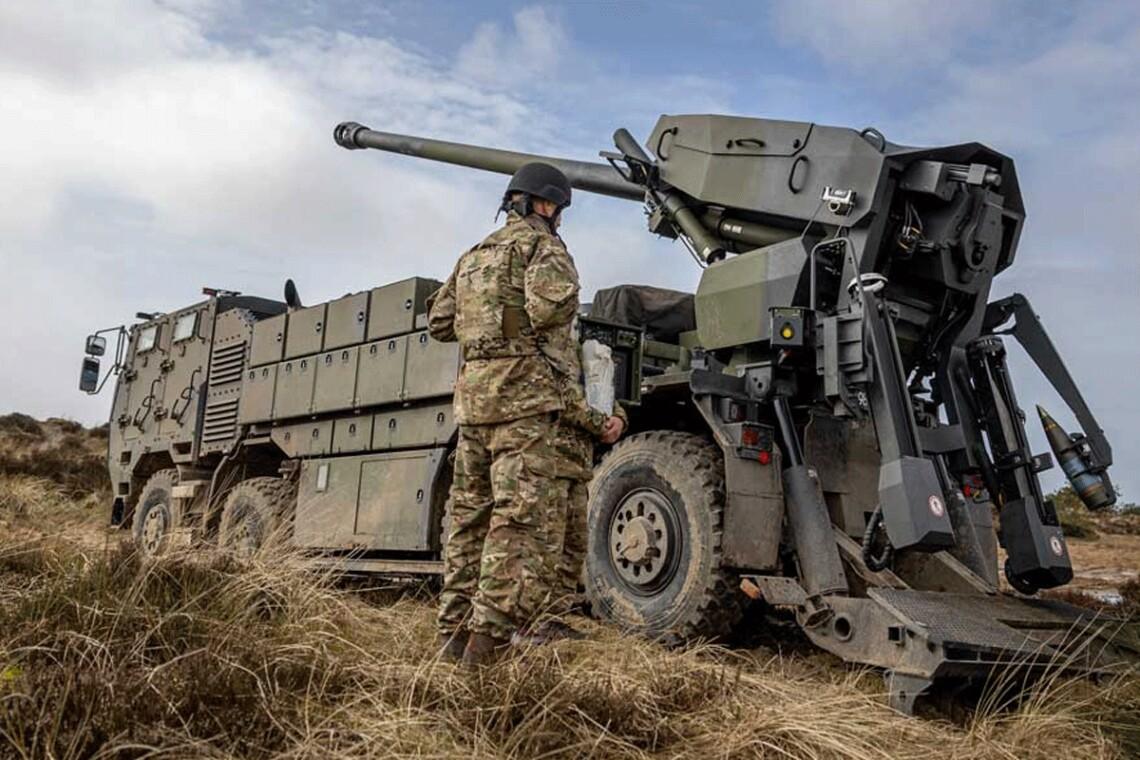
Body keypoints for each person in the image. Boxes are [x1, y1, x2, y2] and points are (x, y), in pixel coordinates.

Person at [429, 162, 615, 665]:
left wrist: (487, 323)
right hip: (524, 404)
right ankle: (487, 643)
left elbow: (439, 322)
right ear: (546, 204)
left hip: (473, 404)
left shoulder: (473, 254)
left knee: (468, 518)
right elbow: (549, 311)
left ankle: (451, 633)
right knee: (518, 521)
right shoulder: (543, 247)